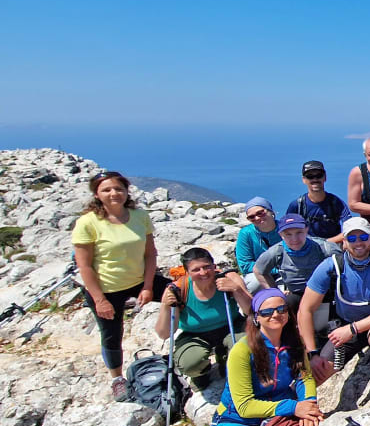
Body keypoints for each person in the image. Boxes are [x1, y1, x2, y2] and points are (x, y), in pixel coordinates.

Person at [210, 288, 323, 426]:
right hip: (237, 419)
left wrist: (309, 403)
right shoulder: (242, 351)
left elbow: (304, 378)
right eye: (267, 312)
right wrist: (294, 407)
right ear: (255, 318)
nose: (275, 315)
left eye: (281, 309)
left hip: (277, 414)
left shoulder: (294, 342)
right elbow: (244, 406)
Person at [72, 171, 170, 400]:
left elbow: (150, 254)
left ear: (127, 191)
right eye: (106, 190)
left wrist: (147, 287)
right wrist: (99, 300)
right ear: (97, 194)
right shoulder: (88, 223)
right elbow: (84, 267)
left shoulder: (139, 216)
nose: (113, 193)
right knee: (111, 334)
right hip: (106, 288)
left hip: (138, 280)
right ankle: (117, 378)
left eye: (118, 189)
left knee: (179, 293)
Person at [298, 217, 370, 384]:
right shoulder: (330, 266)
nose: (358, 243)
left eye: (363, 237)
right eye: (352, 238)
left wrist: (353, 329)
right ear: (344, 242)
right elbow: (305, 309)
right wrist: (312, 353)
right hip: (343, 326)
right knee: (316, 374)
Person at [156, 248, 251, 389]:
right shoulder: (178, 290)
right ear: (187, 272)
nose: (203, 273)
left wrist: (237, 290)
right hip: (194, 334)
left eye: (207, 267)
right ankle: (200, 373)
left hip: (231, 327)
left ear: (214, 266)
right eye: (196, 270)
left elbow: (251, 311)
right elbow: (164, 333)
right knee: (190, 362)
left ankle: (225, 358)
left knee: (248, 347)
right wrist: (165, 306)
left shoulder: (227, 280)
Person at [252, 214, 341, 313]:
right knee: (283, 306)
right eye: (288, 234)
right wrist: (276, 293)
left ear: (306, 230)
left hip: (323, 292)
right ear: (281, 234)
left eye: (299, 232)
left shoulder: (324, 247)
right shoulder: (276, 251)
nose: (294, 239)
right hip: (296, 293)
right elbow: (258, 270)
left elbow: (344, 266)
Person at [286, 160, 352, 243]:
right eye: (310, 176)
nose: (315, 179)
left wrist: (326, 243)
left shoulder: (336, 203)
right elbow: (287, 230)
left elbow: (350, 227)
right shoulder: (297, 206)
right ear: (304, 180)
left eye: (319, 175)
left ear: (325, 177)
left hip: (333, 247)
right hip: (306, 248)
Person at [235, 196, 282, 293]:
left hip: (287, 271)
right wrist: (274, 270)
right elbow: (245, 265)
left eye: (260, 213)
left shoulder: (285, 229)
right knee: (255, 283)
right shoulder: (246, 233)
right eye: (251, 217)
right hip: (259, 273)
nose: (257, 218)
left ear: (271, 212)